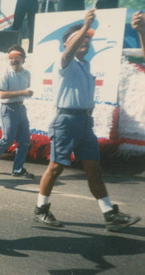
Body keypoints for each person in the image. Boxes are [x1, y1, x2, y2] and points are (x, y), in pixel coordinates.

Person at [34, 9, 141, 231]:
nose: (85, 41)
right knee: (56, 167)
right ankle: (41, 210)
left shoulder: (86, 65)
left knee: (94, 169)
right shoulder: (63, 63)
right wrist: (84, 26)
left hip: (84, 123)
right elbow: (67, 55)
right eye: (79, 38)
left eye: (87, 38)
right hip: (65, 121)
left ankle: (109, 214)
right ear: (66, 43)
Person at [0, 44, 34, 178]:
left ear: (23, 59)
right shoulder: (5, 73)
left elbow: (24, 92)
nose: (13, 60)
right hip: (8, 109)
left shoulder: (26, 74)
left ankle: (18, 169)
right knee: (8, 139)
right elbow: (2, 95)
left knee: (25, 140)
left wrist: (24, 94)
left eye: (16, 57)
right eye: (11, 58)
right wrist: (23, 92)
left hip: (21, 108)